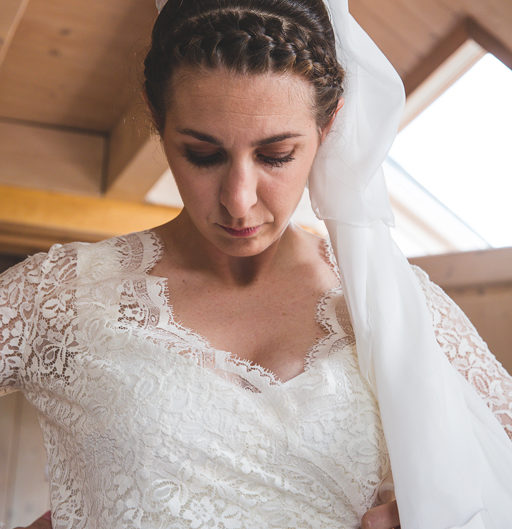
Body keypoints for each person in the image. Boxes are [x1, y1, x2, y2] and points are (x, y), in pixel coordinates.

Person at [2, 0, 512, 528]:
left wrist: (449, 507)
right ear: (159, 121)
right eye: (203, 154)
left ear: (329, 126)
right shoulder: (60, 293)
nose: (239, 200)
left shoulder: (396, 298)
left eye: (275, 156)